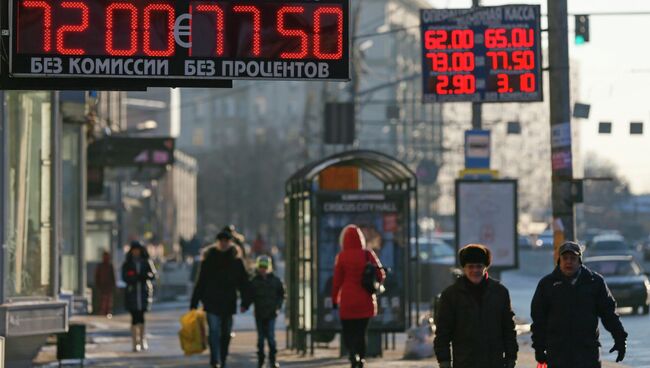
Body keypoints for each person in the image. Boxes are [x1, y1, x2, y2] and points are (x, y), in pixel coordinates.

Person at [531, 241, 628, 368]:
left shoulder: (594, 282)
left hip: (587, 353)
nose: (569, 262)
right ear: (559, 260)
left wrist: (620, 339)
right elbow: (539, 319)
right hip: (558, 353)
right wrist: (539, 347)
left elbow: (609, 314)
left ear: (580, 261)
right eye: (565, 258)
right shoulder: (547, 284)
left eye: (573, 258)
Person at [433, 244, 518, 368]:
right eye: (470, 266)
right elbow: (443, 332)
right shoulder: (451, 295)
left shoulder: (500, 293)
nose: (475, 270)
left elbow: (508, 328)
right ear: (464, 268)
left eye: (479, 266)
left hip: (494, 362)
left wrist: (511, 356)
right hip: (465, 362)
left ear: (485, 267)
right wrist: (444, 361)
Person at [190, 231, 250, 368]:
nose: (223, 243)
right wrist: (194, 302)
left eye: (226, 241)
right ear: (217, 242)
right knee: (214, 331)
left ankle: (222, 358)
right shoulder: (209, 260)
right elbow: (201, 282)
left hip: (228, 302)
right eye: (221, 241)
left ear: (230, 242)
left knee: (226, 333)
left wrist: (245, 302)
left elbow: (244, 283)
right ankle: (215, 360)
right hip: (211, 301)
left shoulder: (236, 261)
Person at [331, 225, 386, 368]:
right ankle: (361, 358)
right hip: (365, 300)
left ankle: (352, 354)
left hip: (347, 300)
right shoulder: (368, 254)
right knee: (362, 332)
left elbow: (337, 281)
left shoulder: (342, 257)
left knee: (349, 331)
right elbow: (381, 274)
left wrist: (334, 299)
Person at [242, 255, 285, 368]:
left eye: (265, 266)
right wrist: (245, 306)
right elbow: (249, 296)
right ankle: (261, 360)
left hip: (271, 313)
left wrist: (278, 306)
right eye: (261, 266)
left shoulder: (275, 281)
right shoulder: (254, 281)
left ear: (269, 267)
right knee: (261, 339)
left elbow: (281, 294)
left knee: (271, 337)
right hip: (260, 314)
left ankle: (272, 360)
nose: (263, 269)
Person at [122, 240, 157, 352]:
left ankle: (142, 339)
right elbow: (125, 277)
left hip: (143, 292)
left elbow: (153, 275)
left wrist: (144, 276)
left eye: (138, 250)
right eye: (134, 250)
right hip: (132, 293)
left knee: (141, 316)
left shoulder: (146, 262)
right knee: (134, 317)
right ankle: (134, 342)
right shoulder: (128, 263)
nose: (136, 252)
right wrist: (133, 278)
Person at [95, 250, 116, 318]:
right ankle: (102, 311)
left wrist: (113, 285)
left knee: (109, 300)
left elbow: (113, 276)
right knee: (102, 300)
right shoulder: (100, 266)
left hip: (108, 286)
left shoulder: (110, 266)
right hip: (102, 286)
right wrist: (98, 284)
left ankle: (108, 312)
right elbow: (97, 276)